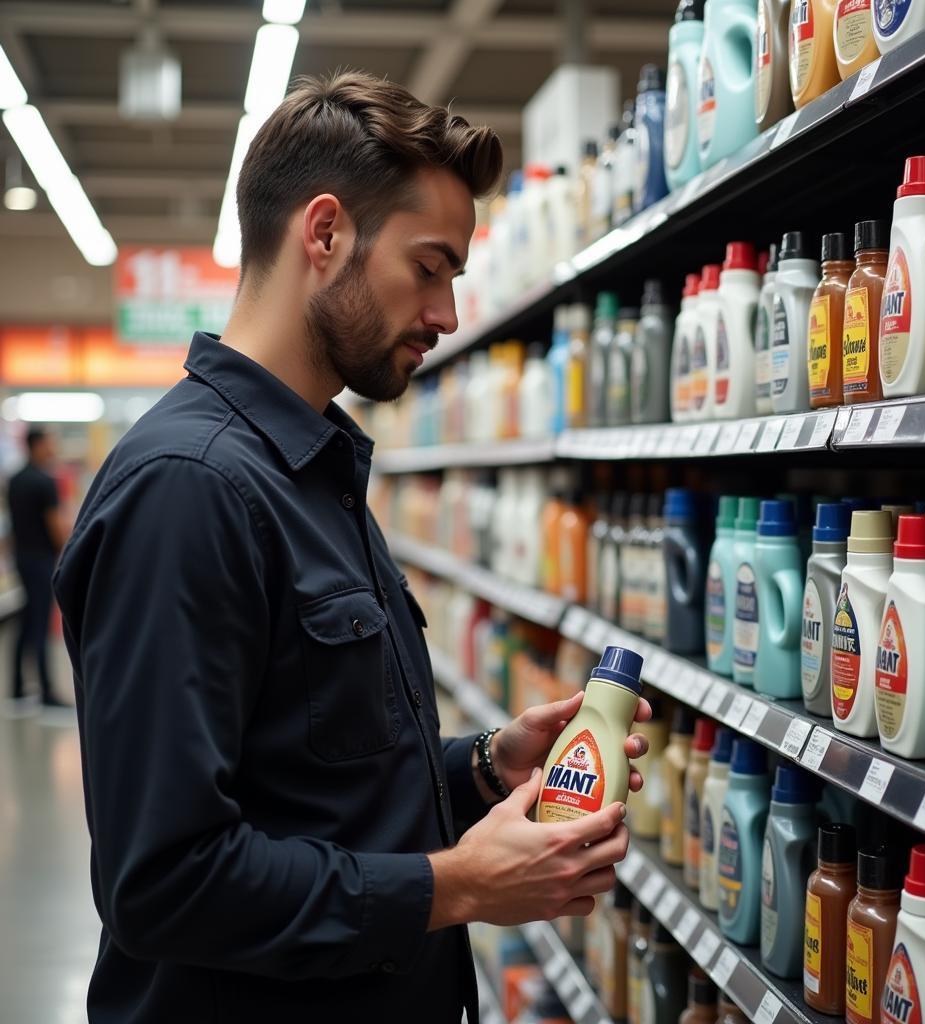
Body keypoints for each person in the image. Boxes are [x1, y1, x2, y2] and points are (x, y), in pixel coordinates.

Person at [54, 71, 652, 1023]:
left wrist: (488, 764)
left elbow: (318, 785)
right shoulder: (191, 489)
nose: (448, 315)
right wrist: (453, 887)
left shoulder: (312, 470)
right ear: (324, 234)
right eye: (430, 267)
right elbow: (162, 879)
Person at [7, 425, 67, 706]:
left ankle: (17, 687)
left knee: (26, 619)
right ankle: (46, 692)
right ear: (37, 445)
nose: (53, 448)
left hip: (21, 557)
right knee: (41, 621)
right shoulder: (45, 481)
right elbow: (54, 525)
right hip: (42, 559)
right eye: (49, 442)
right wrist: (68, 551)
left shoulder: (15, 480)